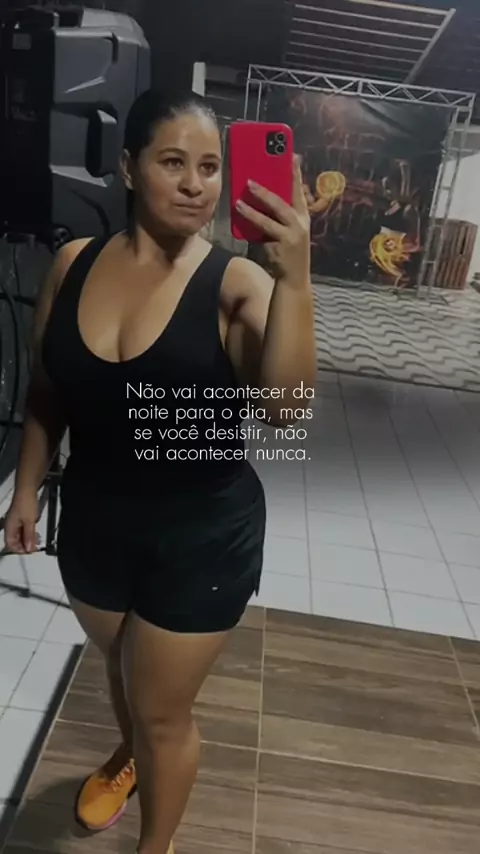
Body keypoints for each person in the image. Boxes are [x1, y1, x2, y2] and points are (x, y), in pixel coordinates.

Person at [3, 89, 315, 854]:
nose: (195, 184)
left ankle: (157, 845)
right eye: (173, 162)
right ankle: (128, 755)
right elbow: (49, 388)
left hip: (200, 536)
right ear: (128, 167)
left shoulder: (237, 285)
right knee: (125, 673)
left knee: (164, 712)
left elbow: (286, 410)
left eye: (210, 167)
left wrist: (296, 281)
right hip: (95, 523)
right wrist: (26, 488)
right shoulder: (74, 263)